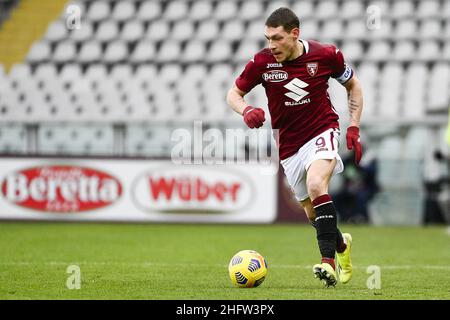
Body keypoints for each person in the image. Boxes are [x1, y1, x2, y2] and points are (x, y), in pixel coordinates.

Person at [226, 8, 363, 287]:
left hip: (323, 129)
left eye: (277, 38)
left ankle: (328, 264)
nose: (271, 45)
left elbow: (353, 85)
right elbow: (233, 94)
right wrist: (246, 109)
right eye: (267, 38)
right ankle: (341, 245)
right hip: (289, 145)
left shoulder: (326, 55)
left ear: (294, 34)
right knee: (313, 213)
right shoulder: (262, 63)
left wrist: (353, 126)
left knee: (316, 185)